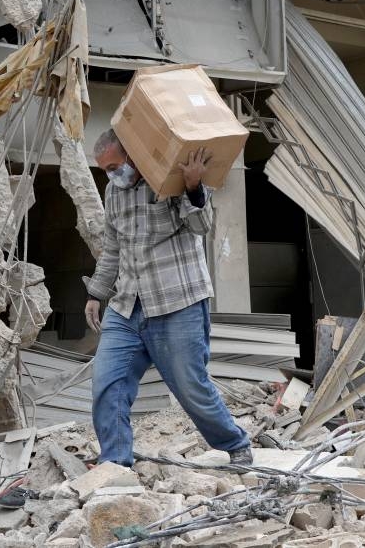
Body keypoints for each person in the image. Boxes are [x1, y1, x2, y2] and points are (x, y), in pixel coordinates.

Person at [83, 128, 252, 468]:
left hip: (177, 303)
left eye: (115, 166)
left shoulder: (171, 180)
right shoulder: (114, 193)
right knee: (107, 381)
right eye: (105, 170)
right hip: (127, 304)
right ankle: (115, 463)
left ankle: (235, 444)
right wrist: (96, 293)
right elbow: (112, 247)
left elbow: (203, 227)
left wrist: (193, 186)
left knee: (190, 386)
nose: (112, 175)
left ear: (132, 156)